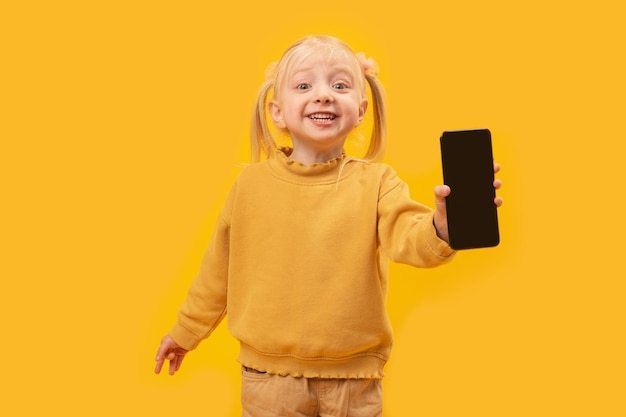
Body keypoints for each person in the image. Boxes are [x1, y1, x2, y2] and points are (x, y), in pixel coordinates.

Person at [155, 35, 503, 416]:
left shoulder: (378, 183)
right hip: (267, 378)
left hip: (354, 381)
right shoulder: (249, 187)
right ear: (277, 112)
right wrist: (186, 333)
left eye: (339, 85)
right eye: (304, 85)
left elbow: (409, 238)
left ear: (361, 109)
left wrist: (442, 226)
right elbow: (216, 273)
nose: (323, 95)